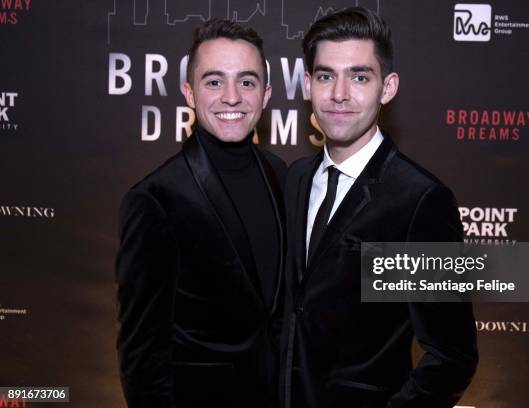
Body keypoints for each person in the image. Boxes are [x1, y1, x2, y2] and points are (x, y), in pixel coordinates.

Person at [279, 7, 478, 408]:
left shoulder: (419, 201)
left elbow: (451, 356)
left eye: (359, 76)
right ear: (306, 85)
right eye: (325, 75)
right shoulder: (295, 179)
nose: (339, 93)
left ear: (387, 88)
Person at [115, 19, 286, 408]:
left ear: (266, 94)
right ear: (189, 93)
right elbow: (142, 355)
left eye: (247, 81)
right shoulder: (155, 199)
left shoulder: (283, 176)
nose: (232, 97)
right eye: (214, 82)